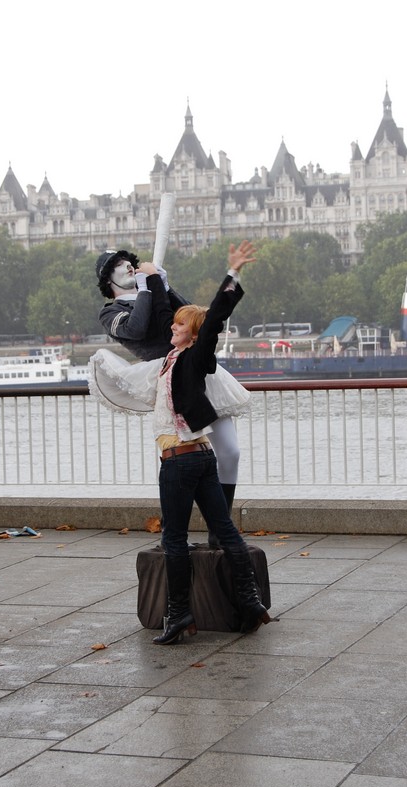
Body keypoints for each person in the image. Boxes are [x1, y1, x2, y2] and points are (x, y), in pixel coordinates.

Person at [134, 240, 271, 645]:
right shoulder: (171, 358)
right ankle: (249, 601)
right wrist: (154, 280)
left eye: (179, 326)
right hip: (201, 457)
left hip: (179, 461)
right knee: (225, 531)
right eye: (173, 323)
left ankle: (179, 615)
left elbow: (213, 320)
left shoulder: (196, 357)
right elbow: (163, 316)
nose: (171, 329)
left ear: (192, 334)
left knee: (174, 539)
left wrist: (233, 275)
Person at [94, 249, 245, 543]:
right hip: (168, 381)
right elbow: (136, 328)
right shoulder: (109, 312)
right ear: (106, 278)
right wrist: (148, 287)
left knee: (230, 452)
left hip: (197, 371)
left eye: (128, 262)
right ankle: (174, 533)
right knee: (181, 462)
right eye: (116, 265)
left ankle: (219, 530)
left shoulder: (152, 289)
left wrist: (163, 284)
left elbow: (195, 318)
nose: (127, 266)